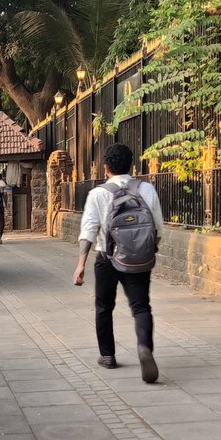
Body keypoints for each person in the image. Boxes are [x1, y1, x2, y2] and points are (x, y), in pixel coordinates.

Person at [73, 142, 164, 383]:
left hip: (107, 257)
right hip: (139, 260)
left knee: (104, 306)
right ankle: (144, 346)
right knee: (141, 307)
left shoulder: (98, 194)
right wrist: (147, 250)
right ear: (132, 166)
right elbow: (158, 227)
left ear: (106, 168)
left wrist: (81, 264)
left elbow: (88, 231)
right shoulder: (147, 190)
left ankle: (107, 355)